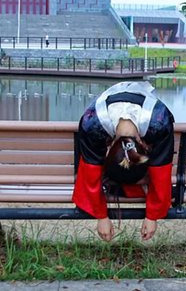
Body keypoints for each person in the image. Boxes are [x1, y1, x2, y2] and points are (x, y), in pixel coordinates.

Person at [72, 81, 174, 242]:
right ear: (143, 143)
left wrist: (102, 217)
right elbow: (161, 168)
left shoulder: (91, 123)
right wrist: (152, 216)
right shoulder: (160, 121)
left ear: (109, 146)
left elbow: (90, 171)